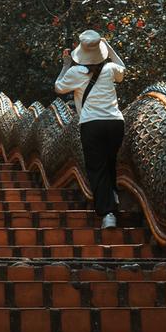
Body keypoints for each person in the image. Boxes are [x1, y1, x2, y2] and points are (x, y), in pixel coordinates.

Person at [54, 30, 127, 230]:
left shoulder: (76, 73)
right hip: (115, 123)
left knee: (97, 167)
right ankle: (113, 197)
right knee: (109, 162)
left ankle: (108, 213)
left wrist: (66, 64)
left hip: (92, 125)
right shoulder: (110, 68)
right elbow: (123, 68)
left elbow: (58, 87)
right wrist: (109, 49)